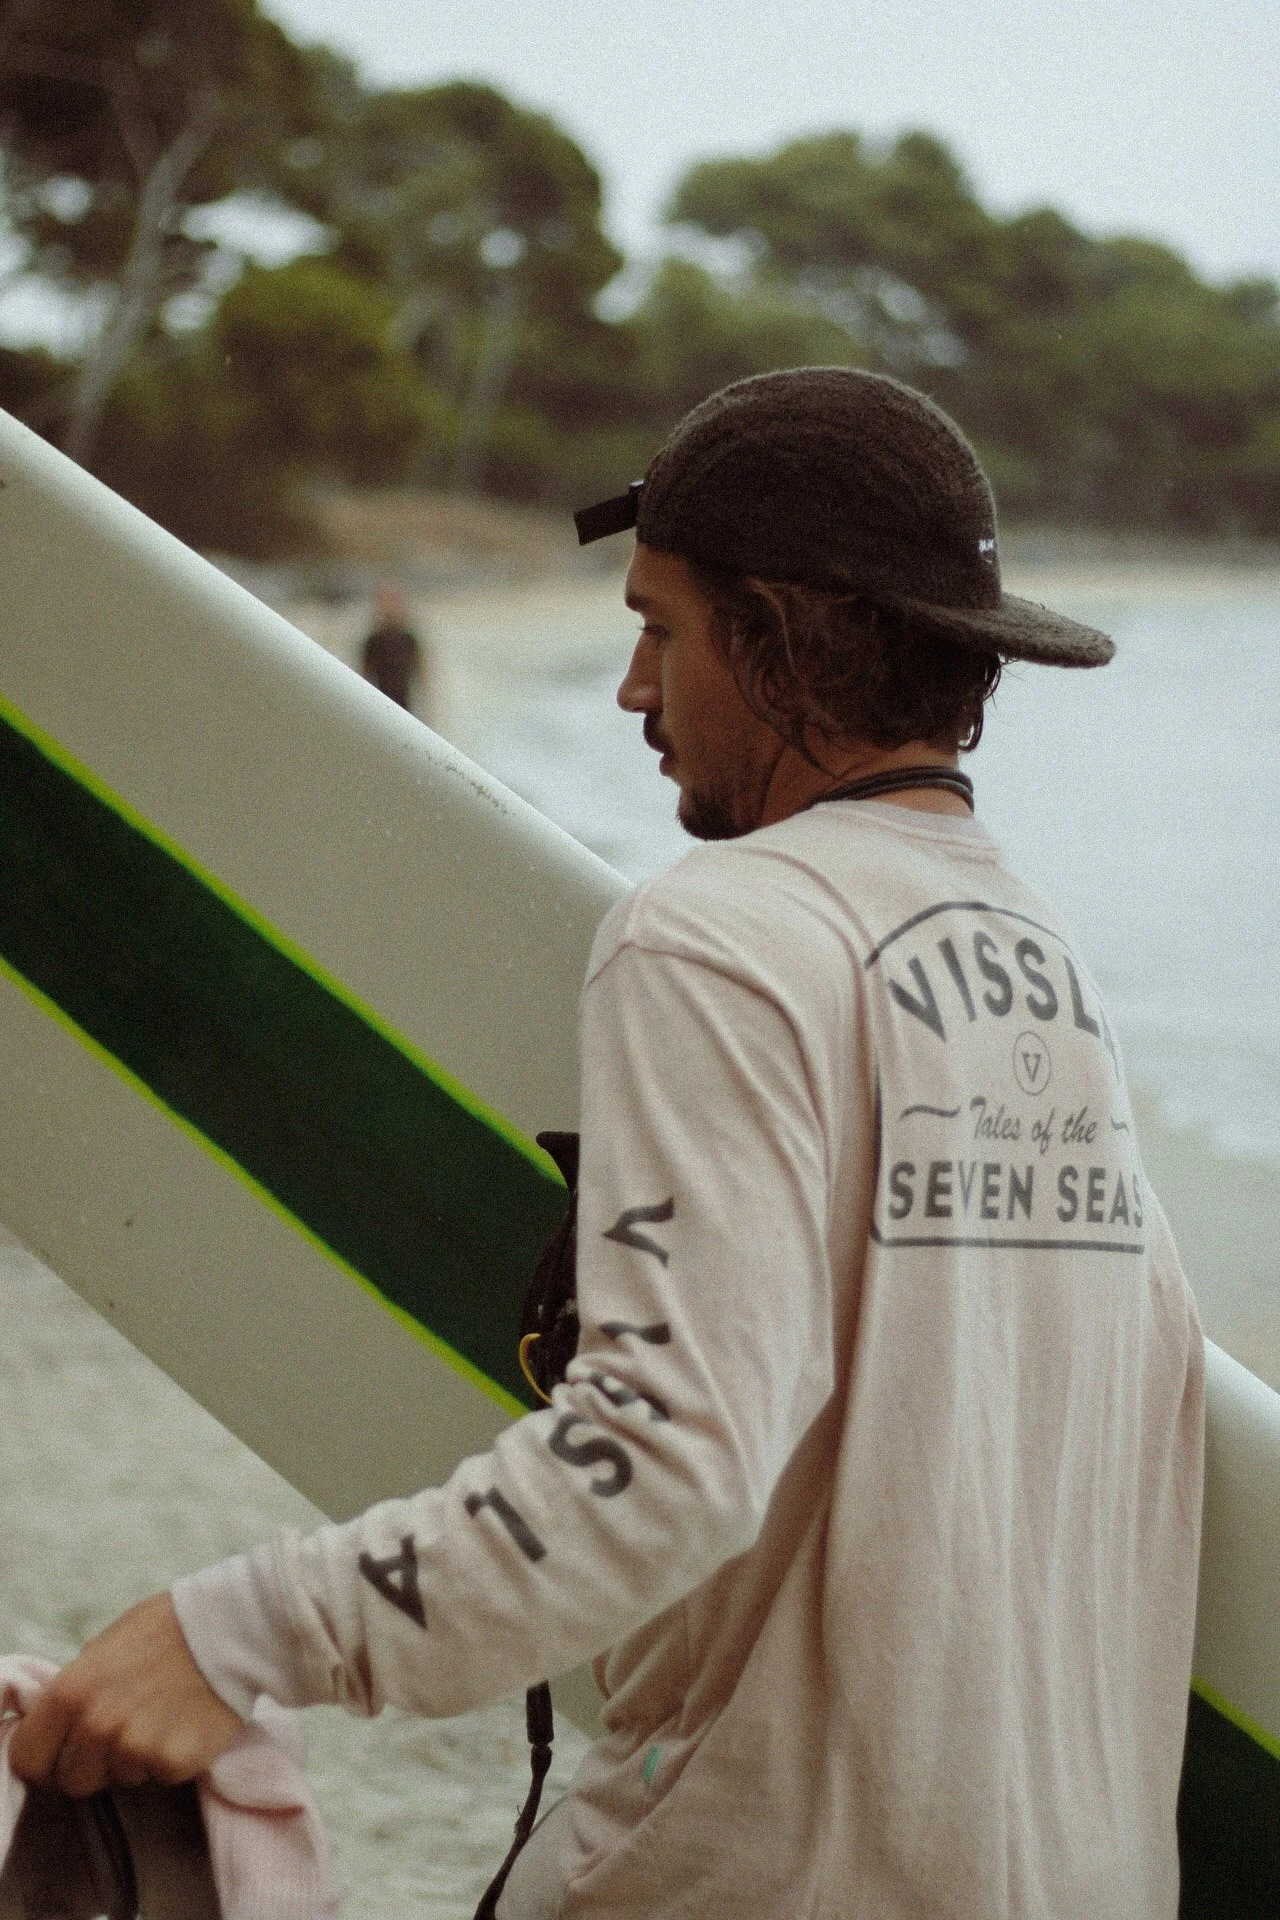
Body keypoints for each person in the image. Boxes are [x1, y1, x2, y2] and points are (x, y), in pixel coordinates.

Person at [11, 369, 1204, 1918]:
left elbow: (665, 1456)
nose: (635, 690)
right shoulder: (1046, 966)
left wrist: (240, 1630)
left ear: (779, 640)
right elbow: (1146, 1427)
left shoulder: (717, 937)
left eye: (663, 628)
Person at [359, 583, 426, 715]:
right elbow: (364, 677)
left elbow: (422, 676)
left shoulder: (409, 640)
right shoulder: (373, 642)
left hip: (405, 710)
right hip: (379, 709)